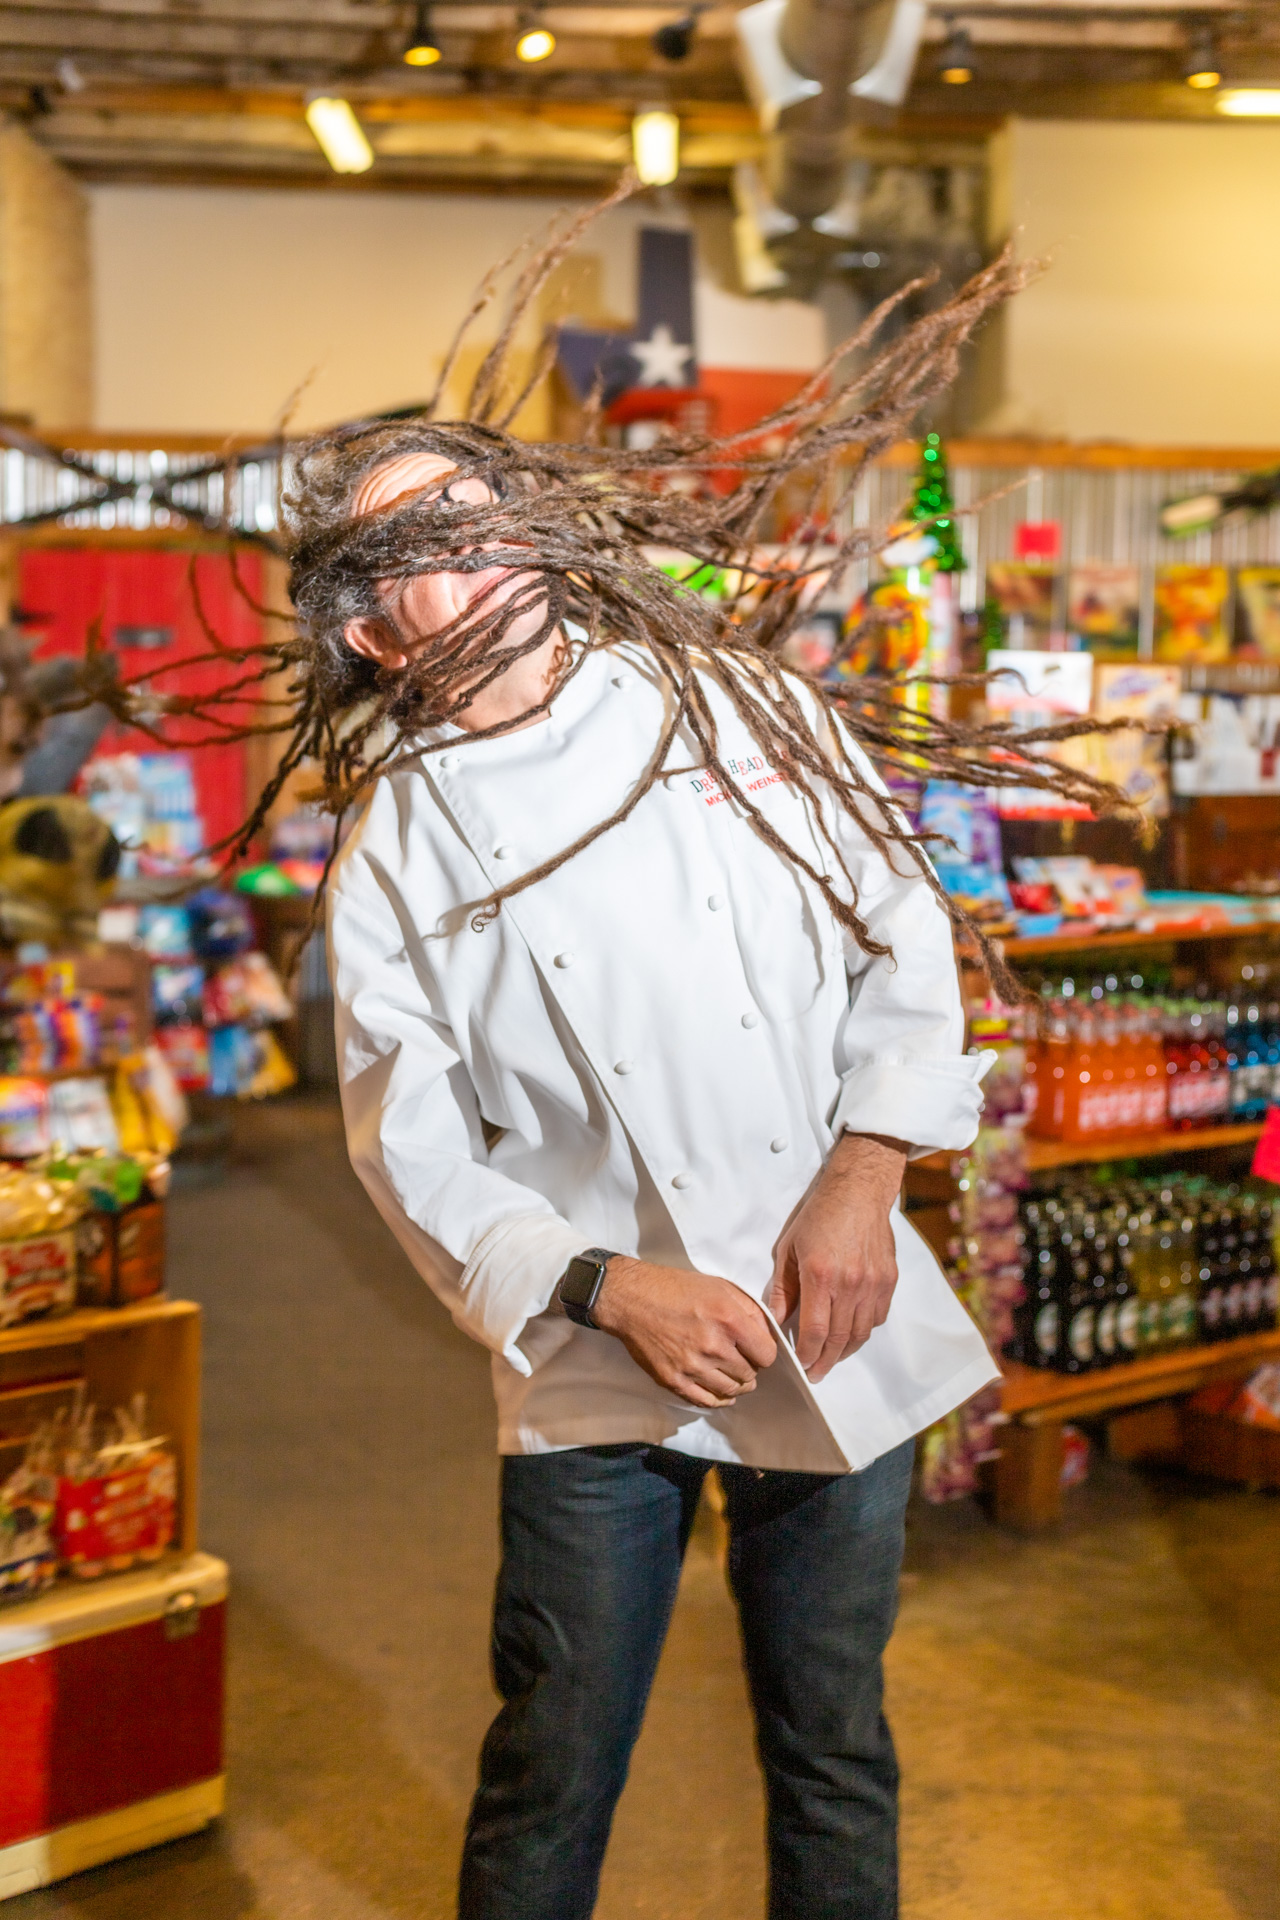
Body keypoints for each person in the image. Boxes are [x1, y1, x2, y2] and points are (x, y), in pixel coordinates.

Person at [265, 204, 1123, 1920]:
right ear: (371, 630)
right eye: (425, 543)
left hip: (826, 1304)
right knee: (554, 1759)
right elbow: (407, 1148)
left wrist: (866, 1179)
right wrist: (605, 1286)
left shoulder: (742, 711)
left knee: (833, 1742)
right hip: (601, 1365)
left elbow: (903, 939)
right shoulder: (400, 849)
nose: (480, 552)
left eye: (484, 512)